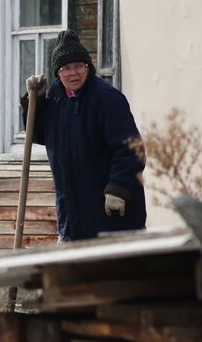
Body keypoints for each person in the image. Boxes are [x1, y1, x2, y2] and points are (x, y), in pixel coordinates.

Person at [22, 30, 146, 241]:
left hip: (110, 212)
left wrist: (118, 188)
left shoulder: (107, 99)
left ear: (88, 67)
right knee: (76, 272)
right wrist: (37, 103)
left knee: (112, 272)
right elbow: (40, 135)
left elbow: (131, 149)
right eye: (66, 68)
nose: (73, 73)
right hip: (72, 212)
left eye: (79, 66)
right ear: (58, 73)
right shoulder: (56, 98)